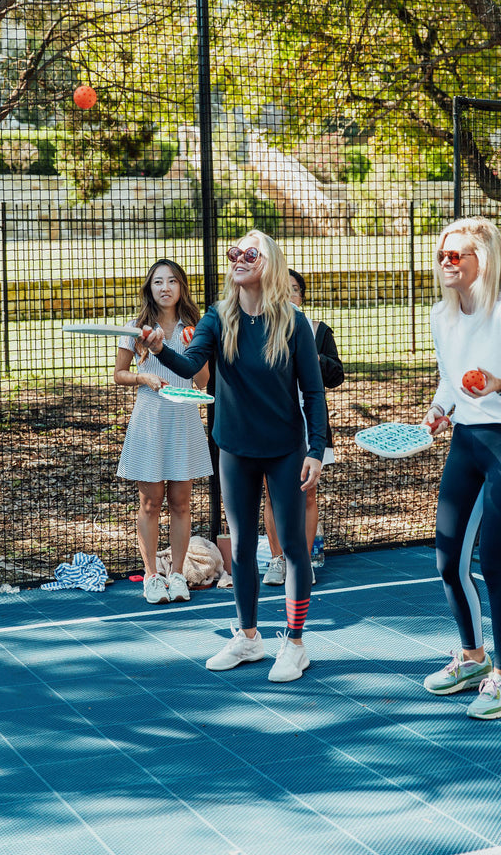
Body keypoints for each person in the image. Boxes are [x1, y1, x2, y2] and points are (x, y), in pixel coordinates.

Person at [143, 230, 326, 683]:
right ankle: (248, 637)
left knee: (294, 548)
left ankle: (296, 644)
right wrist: (160, 347)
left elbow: (314, 391)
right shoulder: (218, 316)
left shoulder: (293, 321)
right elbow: (190, 368)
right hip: (234, 448)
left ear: (270, 263)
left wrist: (316, 449)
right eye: (234, 252)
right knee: (242, 547)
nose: (239, 259)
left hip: (285, 449)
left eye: (251, 253)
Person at [421, 217, 501, 720]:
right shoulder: (441, 315)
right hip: (466, 443)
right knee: (448, 563)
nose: (447, 263)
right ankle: (473, 659)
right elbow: (450, 380)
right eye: (442, 256)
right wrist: (440, 409)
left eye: (458, 255)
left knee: (496, 566)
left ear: (485, 260)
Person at [115, 259, 212, 605]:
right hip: (150, 420)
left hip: (184, 420)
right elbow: (119, 374)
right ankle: (152, 577)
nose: (165, 287)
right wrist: (144, 377)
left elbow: (203, 382)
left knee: (182, 503)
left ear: (181, 287)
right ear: (150, 289)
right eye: (158, 282)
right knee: (150, 502)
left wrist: (197, 363)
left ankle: (178, 574)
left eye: (172, 281)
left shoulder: (196, 329)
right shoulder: (136, 328)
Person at [262, 268, 344, 586]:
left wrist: (311, 356)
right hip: (272, 423)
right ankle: (277, 559)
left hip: (310, 424)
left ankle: (304, 562)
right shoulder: (262, 331)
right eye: (281, 290)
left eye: (294, 289)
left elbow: (336, 374)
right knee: (271, 495)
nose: (288, 295)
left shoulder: (318, 330)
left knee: (307, 494)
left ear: (303, 297)